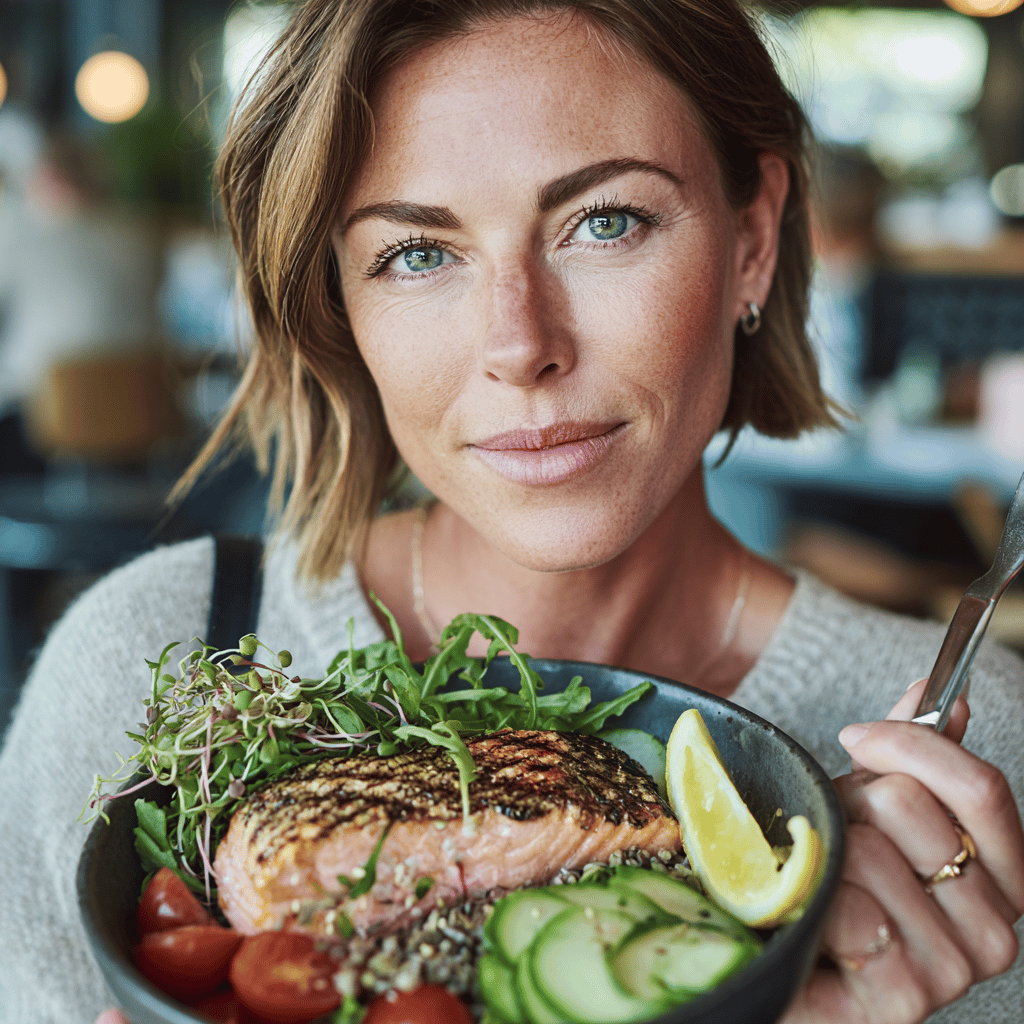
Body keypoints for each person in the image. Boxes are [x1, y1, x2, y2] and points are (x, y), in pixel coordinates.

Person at [0, 2, 1020, 1022]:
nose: (518, 342)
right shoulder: (141, 661)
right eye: (416, 253)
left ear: (751, 241)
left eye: (605, 222)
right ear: (342, 304)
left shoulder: (978, 765)